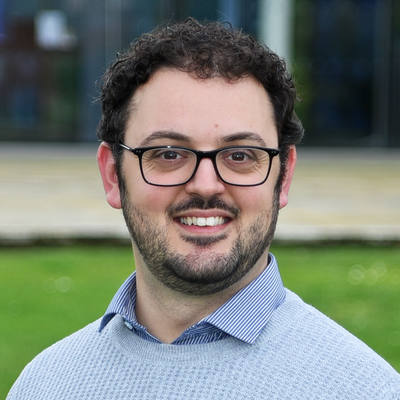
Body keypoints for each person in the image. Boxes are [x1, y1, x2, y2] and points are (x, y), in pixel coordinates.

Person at [7, 18, 400, 400]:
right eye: (169, 153)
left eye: (240, 155)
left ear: (284, 177)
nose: (206, 185)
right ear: (113, 175)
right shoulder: (45, 385)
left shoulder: (366, 390)